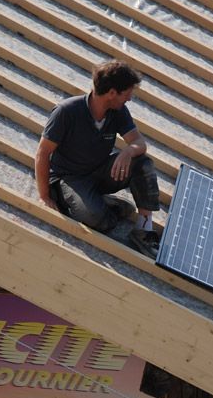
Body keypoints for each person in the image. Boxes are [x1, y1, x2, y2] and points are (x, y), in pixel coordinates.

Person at [34, 61, 162, 258]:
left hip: (99, 171)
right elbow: (43, 153)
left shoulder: (118, 111)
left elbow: (139, 143)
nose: (129, 98)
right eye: (127, 93)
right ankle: (103, 205)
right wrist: (44, 196)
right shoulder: (67, 111)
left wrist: (128, 151)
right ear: (112, 93)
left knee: (142, 164)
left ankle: (144, 230)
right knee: (96, 219)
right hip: (70, 178)